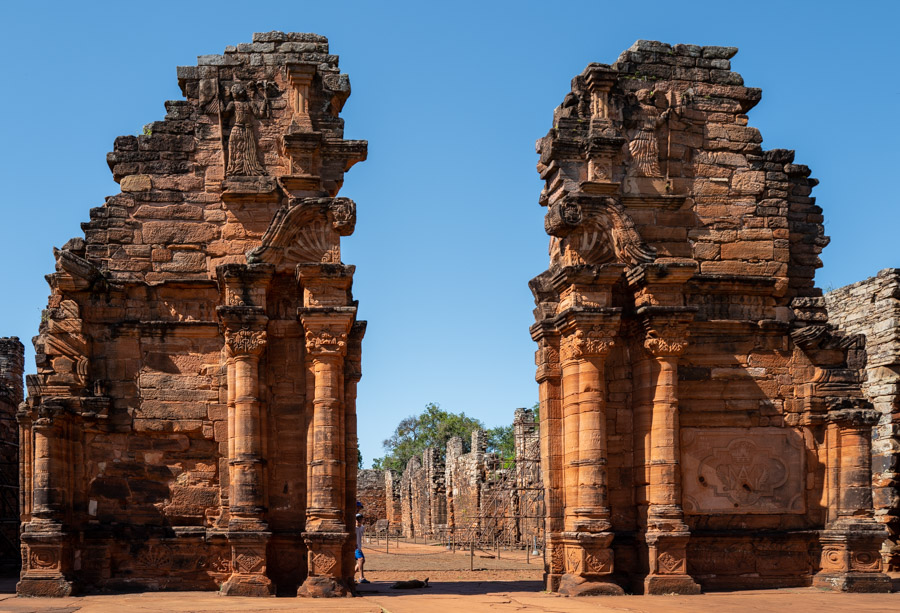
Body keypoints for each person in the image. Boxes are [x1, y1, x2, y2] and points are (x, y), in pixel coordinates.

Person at [355, 513, 369, 584]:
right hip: (355, 547)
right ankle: (361, 577)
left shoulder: (362, 527)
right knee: (361, 559)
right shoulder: (353, 528)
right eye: (357, 519)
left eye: (360, 519)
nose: (358, 520)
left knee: (362, 561)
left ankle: (351, 576)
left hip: (359, 547)